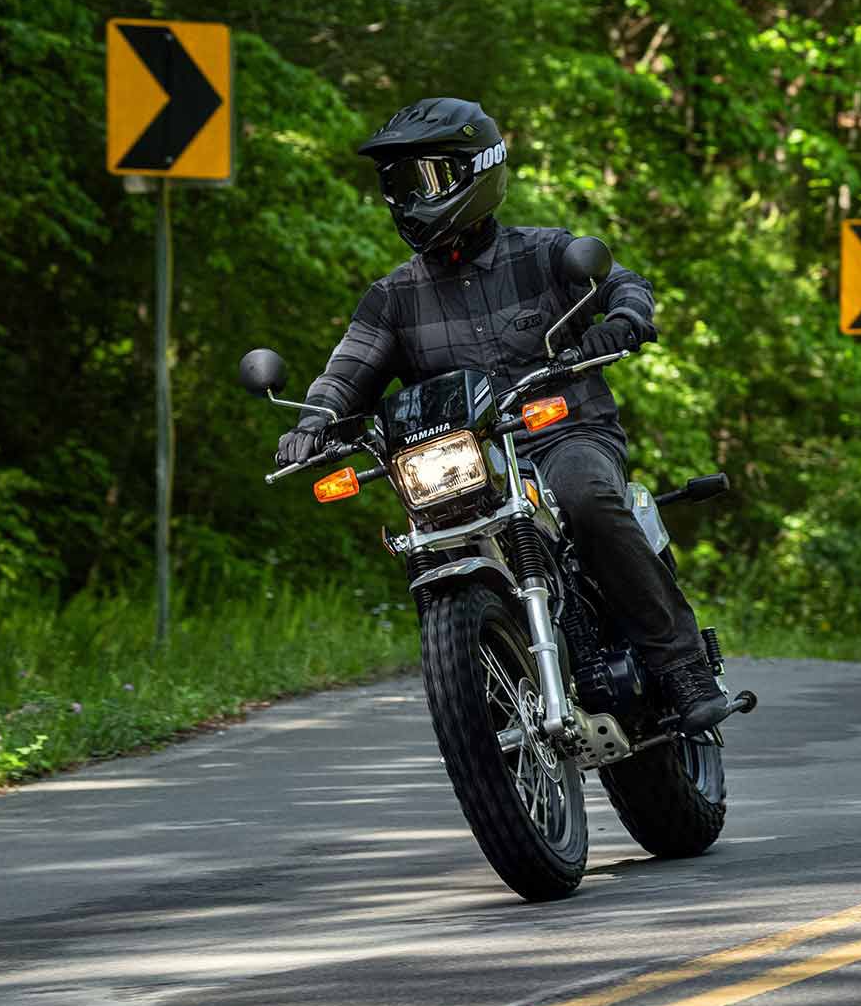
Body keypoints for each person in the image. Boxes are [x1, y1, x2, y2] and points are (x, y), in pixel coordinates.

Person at [275, 96, 731, 732]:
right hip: (466, 461)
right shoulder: (391, 299)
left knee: (585, 496)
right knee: (424, 543)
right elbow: (346, 372)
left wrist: (624, 320)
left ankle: (682, 667)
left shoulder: (545, 254)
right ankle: (480, 686)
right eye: (397, 184)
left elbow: (624, 283)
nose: (409, 198)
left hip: (564, 432)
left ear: (477, 170)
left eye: (425, 178)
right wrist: (311, 422)